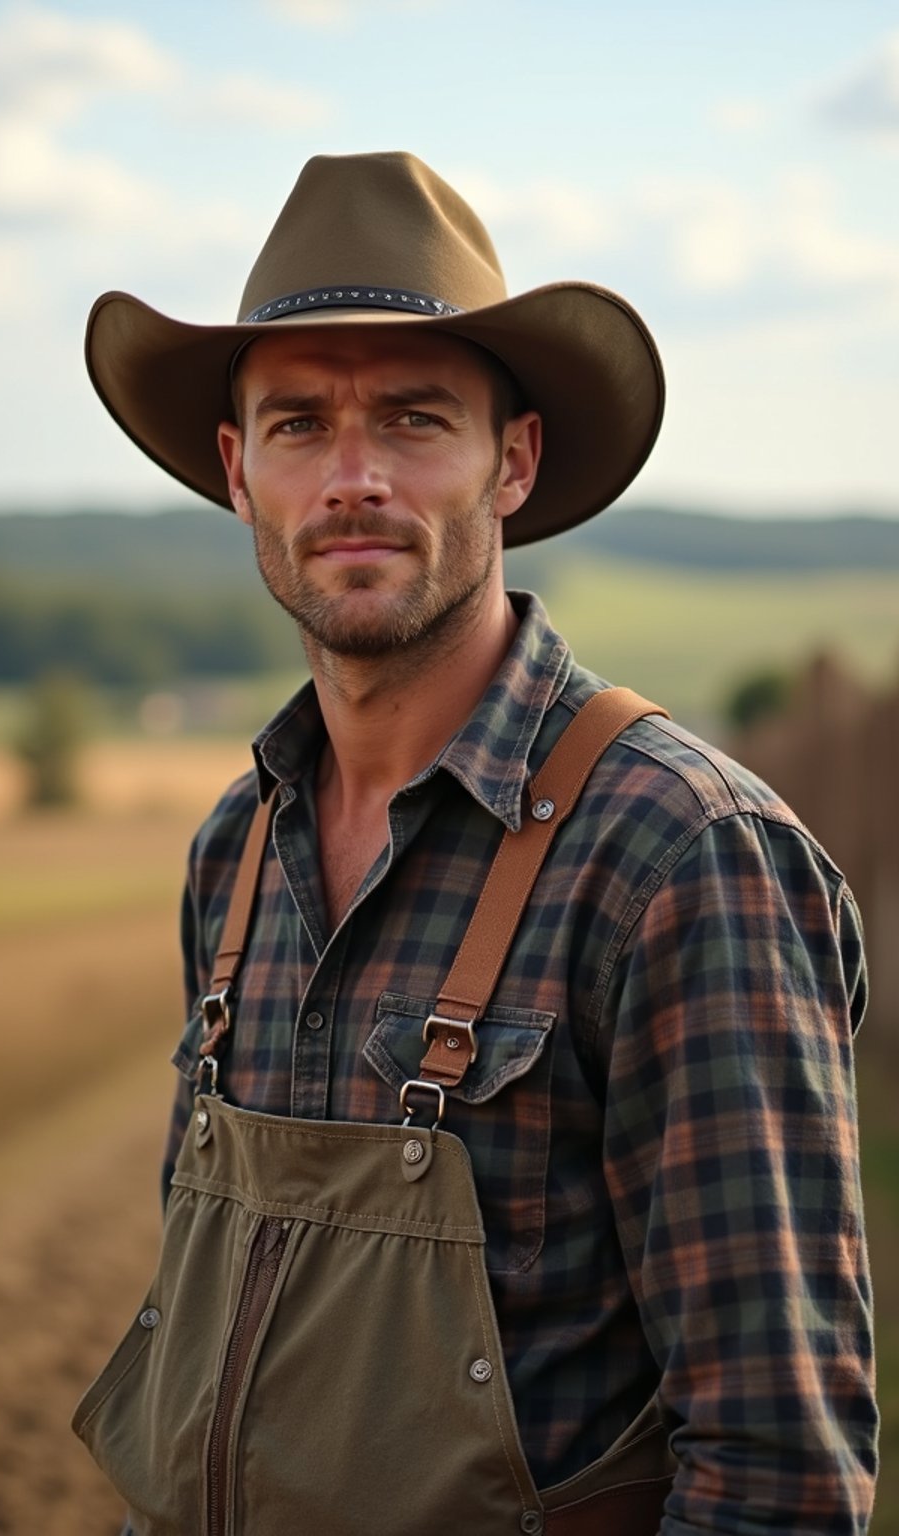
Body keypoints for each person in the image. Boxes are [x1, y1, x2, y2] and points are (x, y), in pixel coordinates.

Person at [75, 152, 877, 1534]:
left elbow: (776, 1471)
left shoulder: (680, 858)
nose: (354, 478)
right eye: (299, 426)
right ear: (235, 470)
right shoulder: (237, 848)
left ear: (513, 460)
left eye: (414, 419)